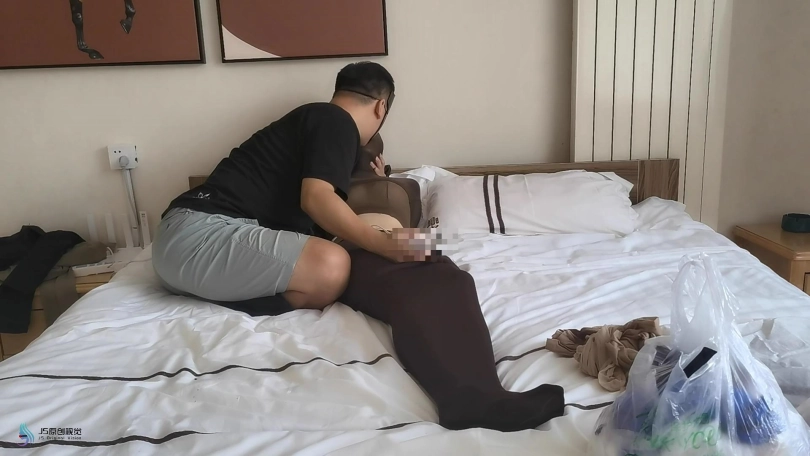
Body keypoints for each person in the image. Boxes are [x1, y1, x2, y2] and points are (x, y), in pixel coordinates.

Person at [152, 62, 425, 316]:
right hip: (200, 234)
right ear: (381, 106)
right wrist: (381, 242)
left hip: (182, 250)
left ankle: (210, 298)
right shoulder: (337, 121)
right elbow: (316, 199)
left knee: (322, 278)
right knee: (332, 264)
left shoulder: (315, 124)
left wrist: (377, 180)